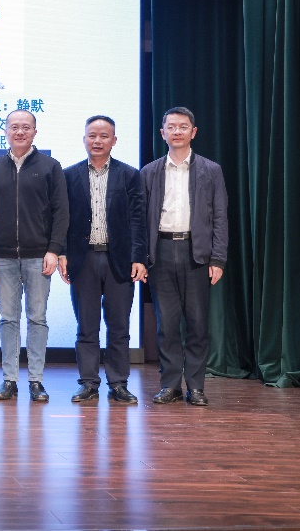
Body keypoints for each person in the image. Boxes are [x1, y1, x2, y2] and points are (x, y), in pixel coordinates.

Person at [141, 106, 228, 406]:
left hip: (196, 253)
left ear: (193, 132)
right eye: (171, 127)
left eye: (183, 126)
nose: (176, 131)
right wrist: (142, 257)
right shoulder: (149, 172)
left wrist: (218, 259)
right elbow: (141, 220)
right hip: (161, 252)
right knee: (166, 325)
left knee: (197, 324)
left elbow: (220, 217)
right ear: (162, 133)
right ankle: (169, 385)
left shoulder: (210, 170)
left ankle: (196, 386)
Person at [59, 116, 147, 405]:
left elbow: (138, 220)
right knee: (87, 326)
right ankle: (88, 383)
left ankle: (118, 383)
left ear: (114, 140)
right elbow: (62, 220)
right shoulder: (69, 175)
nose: (97, 141)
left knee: (119, 326)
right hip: (83, 259)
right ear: (84, 139)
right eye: (92, 135)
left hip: (118, 260)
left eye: (104, 136)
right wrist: (62, 253)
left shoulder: (129, 175)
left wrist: (139, 257)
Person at [0, 109, 68, 403]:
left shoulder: (50, 166)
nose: (19, 132)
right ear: (6, 131)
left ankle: (36, 380)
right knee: (8, 319)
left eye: (26, 127)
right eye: (14, 127)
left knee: (37, 318)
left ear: (35, 131)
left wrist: (54, 250)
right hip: (2, 256)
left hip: (38, 256)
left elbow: (61, 212)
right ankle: (9, 379)